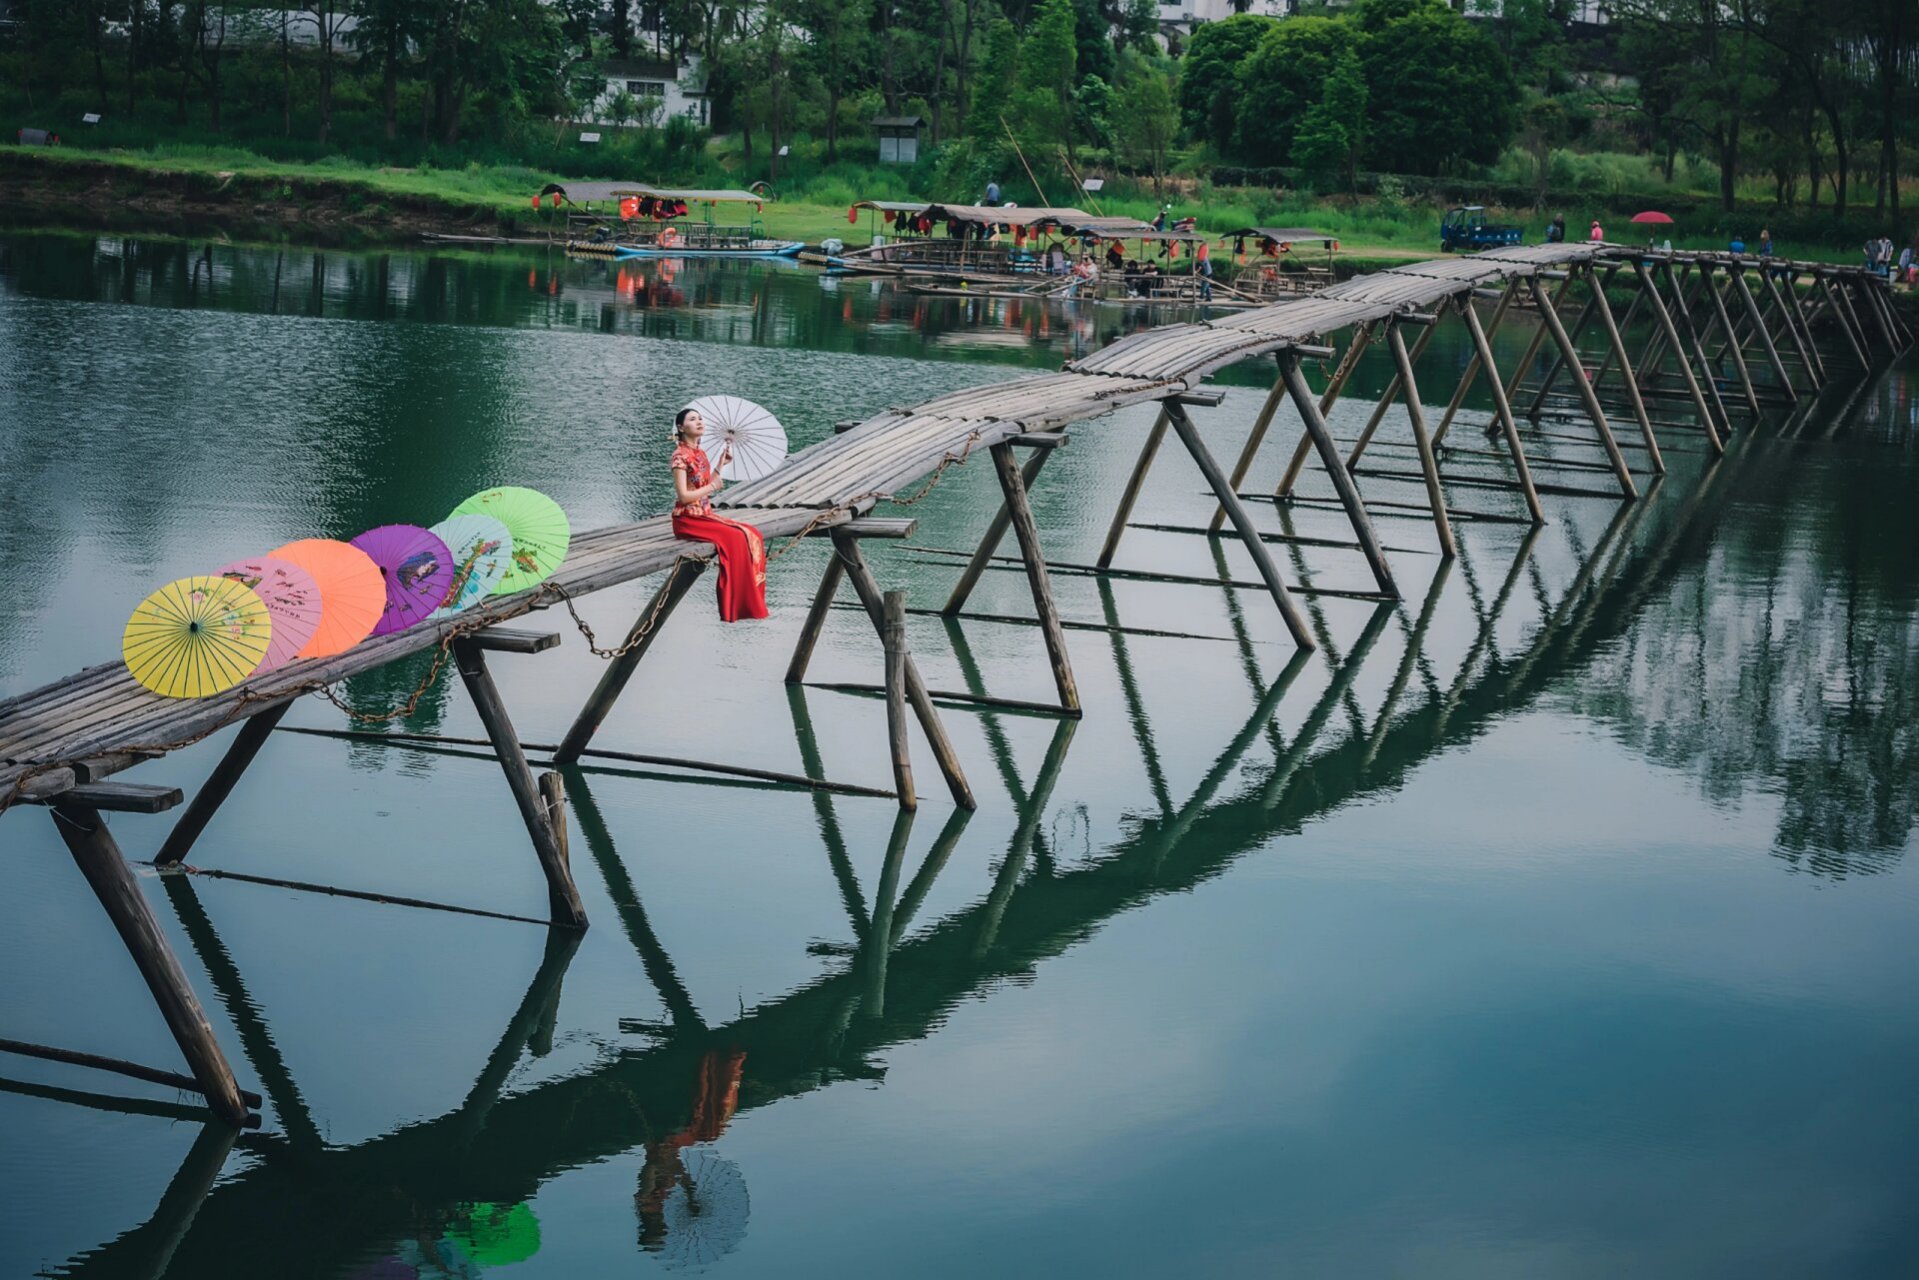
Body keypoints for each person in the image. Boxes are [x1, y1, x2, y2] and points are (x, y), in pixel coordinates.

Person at [669, 407, 768, 622]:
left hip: (704, 514)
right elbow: (684, 496)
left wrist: (721, 464)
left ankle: (751, 602)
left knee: (752, 533)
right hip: (687, 519)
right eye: (693, 419)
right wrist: (713, 487)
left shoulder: (700, 454)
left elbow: (705, 484)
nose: (699, 422)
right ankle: (734, 605)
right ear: (680, 427)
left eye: (701, 419)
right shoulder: (679, 456)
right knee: (734, 538)